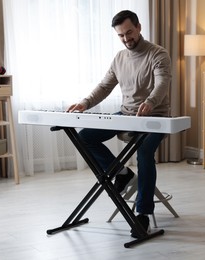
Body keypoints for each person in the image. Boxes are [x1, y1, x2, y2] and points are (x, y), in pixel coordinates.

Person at [67, 10, 171, 238]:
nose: (126, 39)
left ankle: (142, 214)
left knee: (144, 153)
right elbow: (105, 86)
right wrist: (85, 103)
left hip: (155, 118)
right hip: (126, 113)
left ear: (139, 27)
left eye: (129, 32)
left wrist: (151, 102)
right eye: (121, 35)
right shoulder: (119, 58)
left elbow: (162, 82)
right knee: (85, 137)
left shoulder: (158, 54)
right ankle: (121, 173)